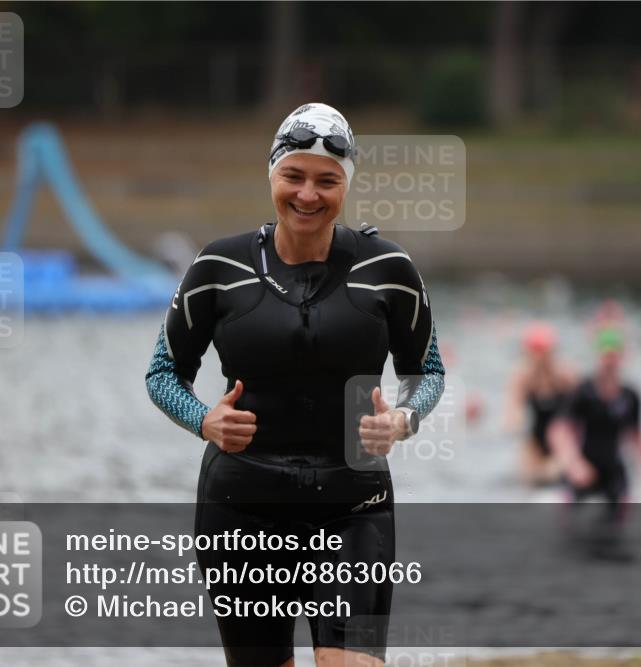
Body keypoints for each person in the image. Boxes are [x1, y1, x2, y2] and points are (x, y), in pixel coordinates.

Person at [145, 103, 445, 667]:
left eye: (327, 181)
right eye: (294, 176)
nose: (308, 194)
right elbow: (163, 374)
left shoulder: (390, 270)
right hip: (243, 503)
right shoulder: (217, 267)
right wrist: (202, 420)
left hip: (353, 502)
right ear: (273, 177)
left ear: (346, 186)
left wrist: (403, 420)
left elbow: (427, 371)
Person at [548, 327, 641, 526]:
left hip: (613, 467)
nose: (610, 361)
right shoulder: (583, 391)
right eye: (606, 356)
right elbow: (558, 431)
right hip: (585, 464)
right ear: (598, 356)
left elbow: (637, 438)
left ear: (623, 357)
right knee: (566, 524)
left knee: (620, 523)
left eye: (614, 356)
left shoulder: (631, 395)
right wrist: (574, 464)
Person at [502, 323, 576, 486]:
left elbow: (582, 412)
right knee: (528, 476)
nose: (539, 357)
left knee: (560, 472)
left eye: (543, 351)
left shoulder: (565, 375)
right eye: (535, 352)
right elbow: (512, 409)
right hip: (536, 438)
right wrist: (514, 422)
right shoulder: (523, 377)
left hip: (563, 439)